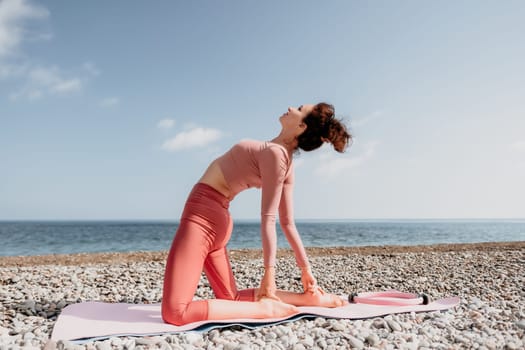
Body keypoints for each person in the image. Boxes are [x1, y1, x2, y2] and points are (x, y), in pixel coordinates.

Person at [162, 102, 352, 326]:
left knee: (175, 312)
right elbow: (288, 223)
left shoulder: (275, 155)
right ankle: (308, 299)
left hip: (203, 219)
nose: (290, 108)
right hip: (215, 218)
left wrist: (269, 275)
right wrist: (305, 271)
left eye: (299, 108)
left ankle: (267, 309)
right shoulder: (283, 160)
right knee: (230, 299)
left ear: (301, 125)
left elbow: (270, 220)